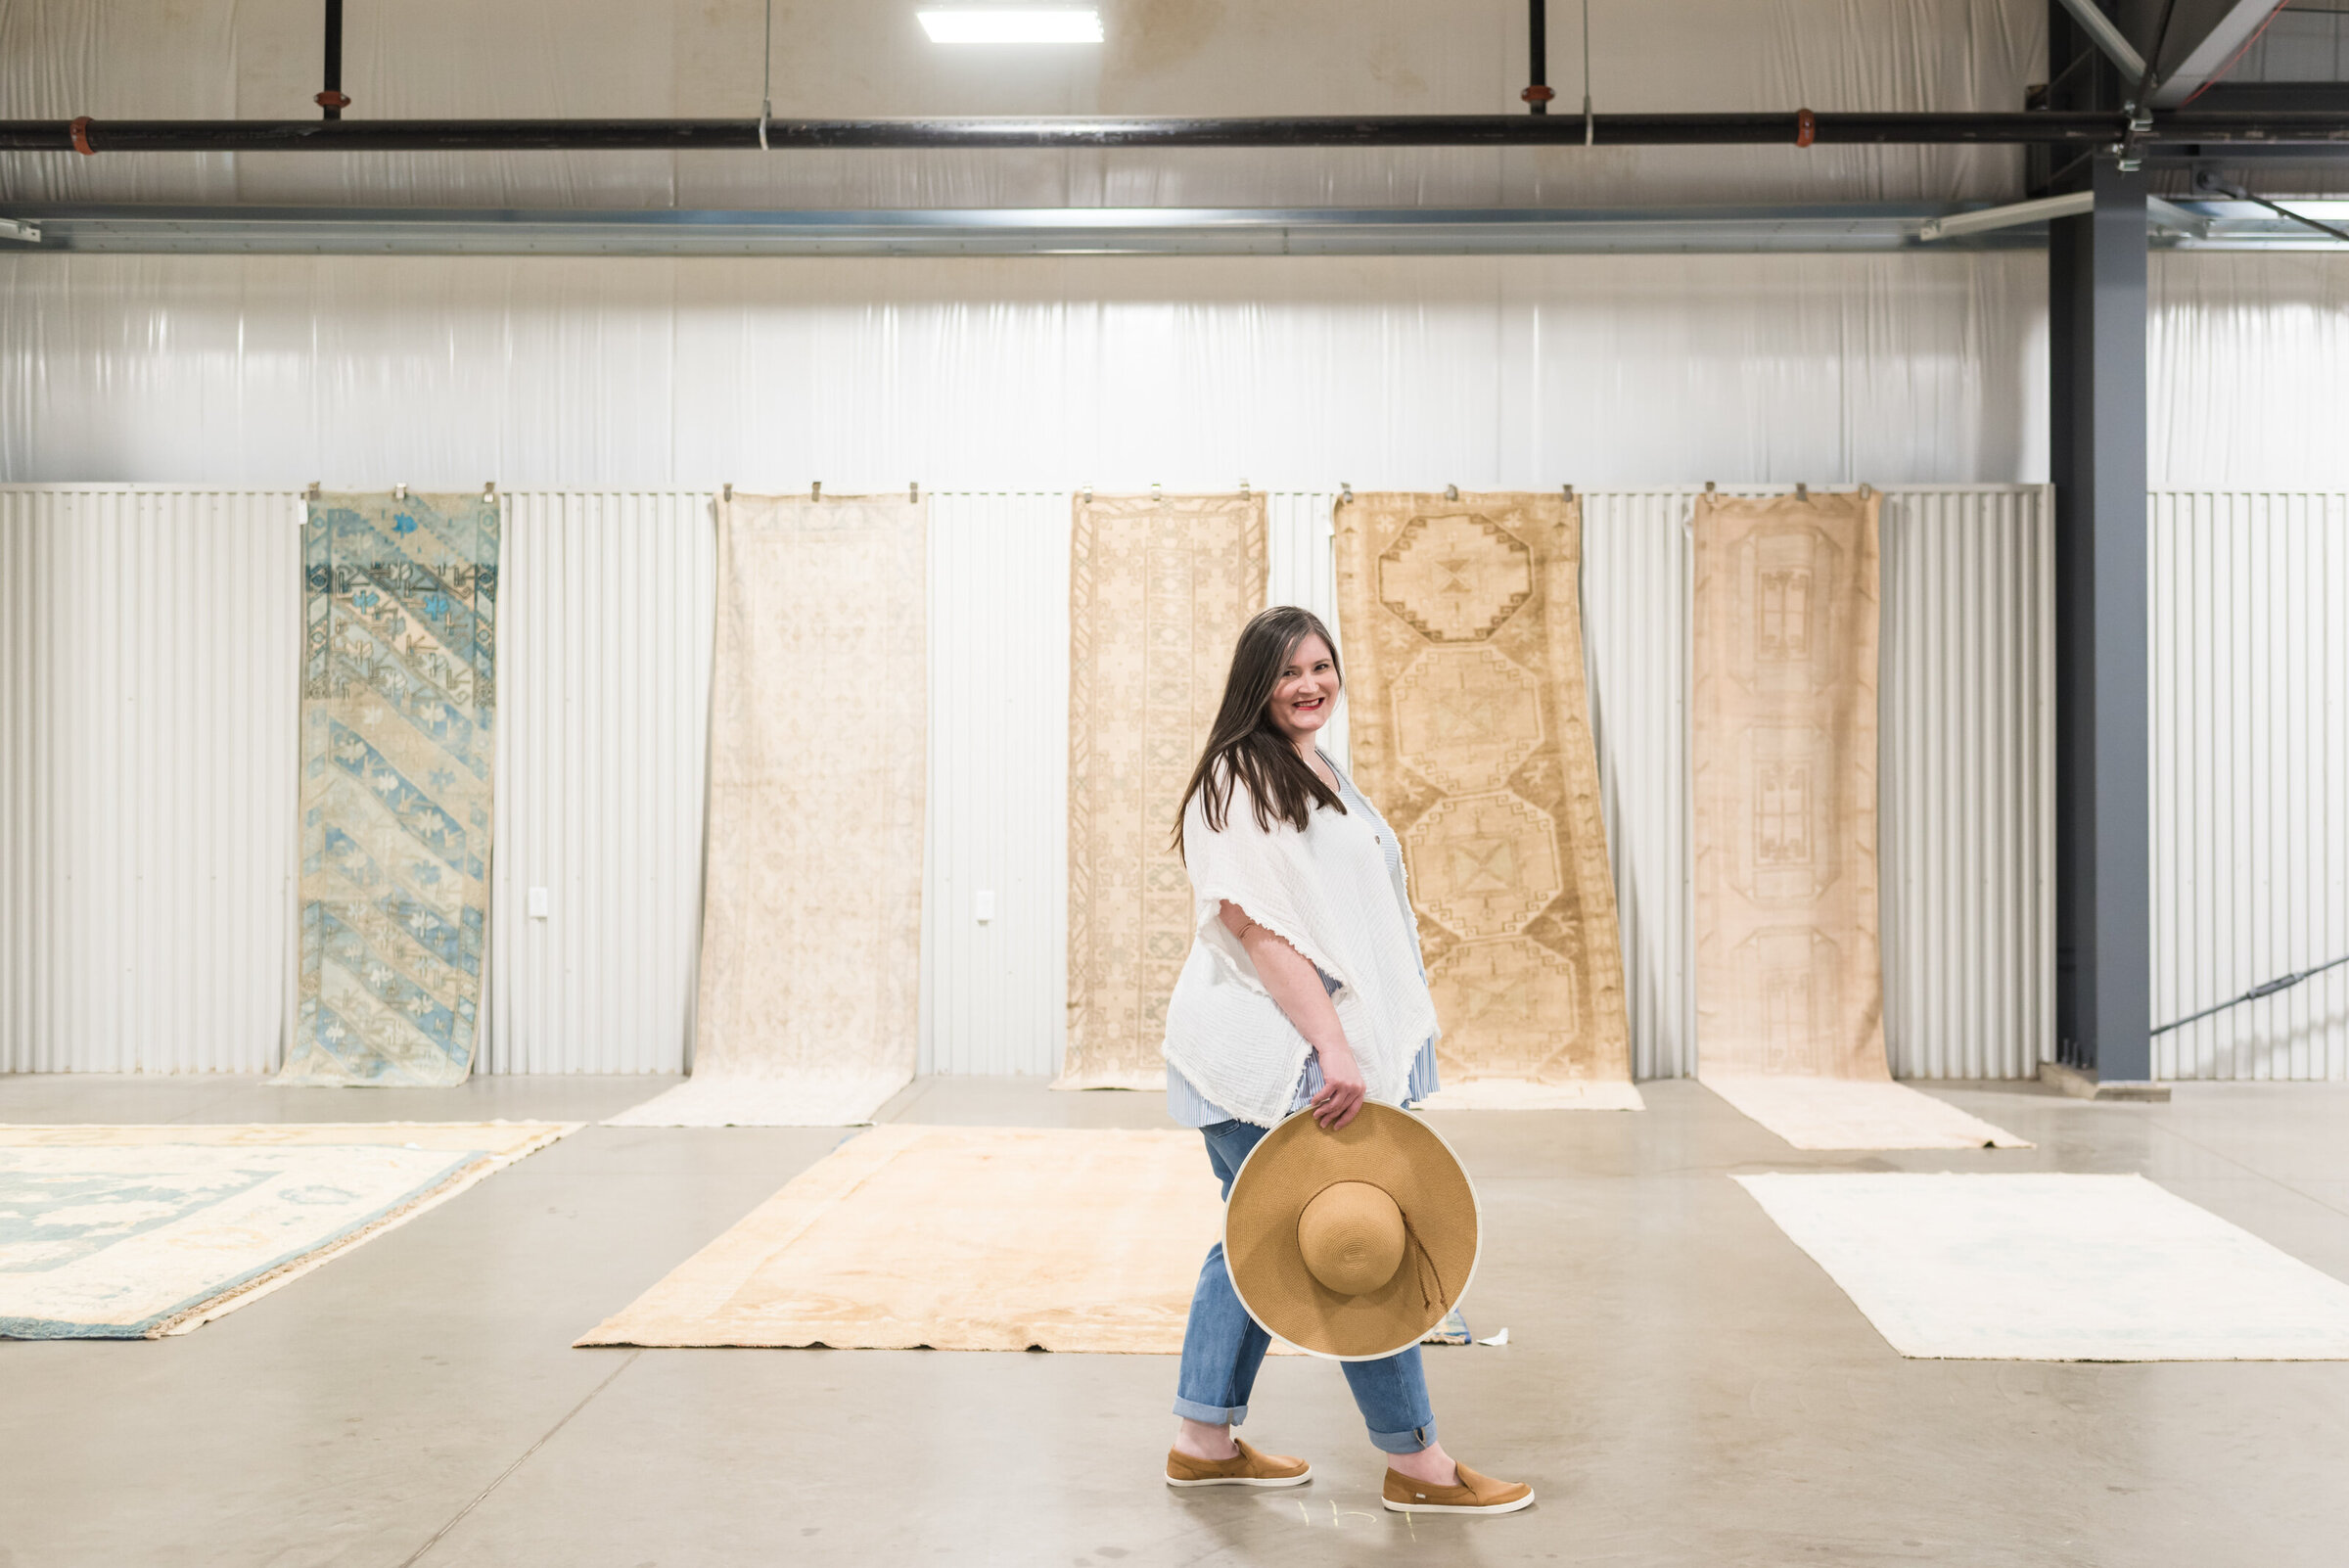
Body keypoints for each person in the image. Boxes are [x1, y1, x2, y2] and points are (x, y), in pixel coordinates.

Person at [1158, 605, 1534, 1516]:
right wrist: (1332, 1044)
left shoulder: (1313, 763)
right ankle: (1420, 1465)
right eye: (1289, 672)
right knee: (1362, 1242)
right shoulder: (1239, 774)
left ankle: (1203, 1440)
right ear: (1257, 683)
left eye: (1322, 665)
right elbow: (1256, 927)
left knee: (1255, 1239)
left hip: (1301, 1049)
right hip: (1269, 1055)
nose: (1310, 684)